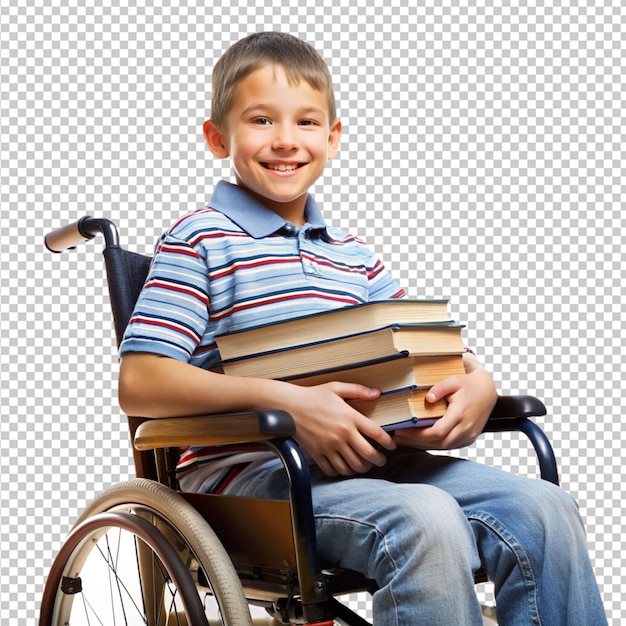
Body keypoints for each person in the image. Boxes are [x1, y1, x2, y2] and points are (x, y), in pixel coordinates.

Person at [118, 31, 606, 625]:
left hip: (374, 464)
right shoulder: (201, 239)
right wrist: (291, 405)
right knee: (424, 519)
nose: (284, 141)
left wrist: (477, 383)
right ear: (217, 137)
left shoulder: (353, 256)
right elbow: (140, 381)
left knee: (544, 509)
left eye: (305, 122)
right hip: (257, 474)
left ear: (333, 136)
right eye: (261, 120)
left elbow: (432, 349)